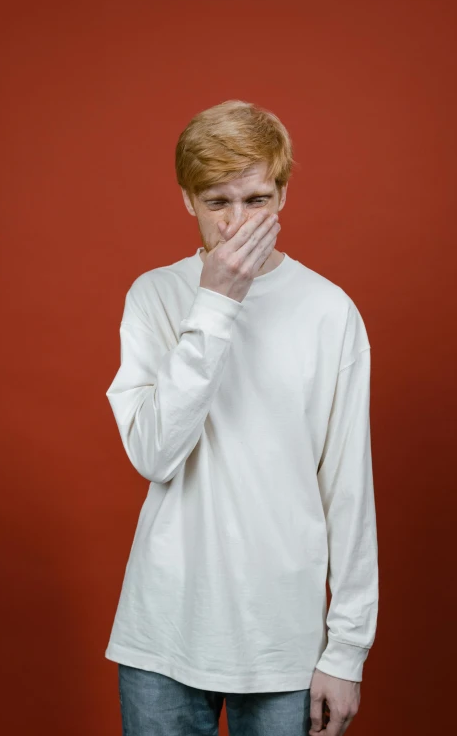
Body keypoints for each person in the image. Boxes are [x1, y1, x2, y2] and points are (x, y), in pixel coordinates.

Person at [104, 100, 379, 736]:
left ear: (282, 195)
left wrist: (347, 650)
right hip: (162, 634)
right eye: (216, 202)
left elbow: (349, 489)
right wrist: (217, 303)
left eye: (255, 200)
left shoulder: (328, 311)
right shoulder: (155, 296)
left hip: (283, 643)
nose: (236, 226)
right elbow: (154, 453)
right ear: (186, 201)